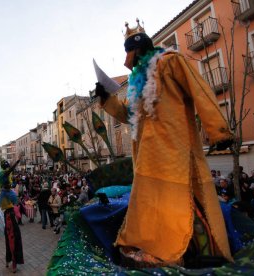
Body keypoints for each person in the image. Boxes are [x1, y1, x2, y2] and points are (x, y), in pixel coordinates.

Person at [95, 19, 233, 267]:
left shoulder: (171, 62)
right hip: (146, 156)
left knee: (174, 204)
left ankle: (178, 252)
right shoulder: (137, 85)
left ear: (137, 49)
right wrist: (107, 98)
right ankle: (148, 246)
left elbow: (199, 90)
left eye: (129, 52)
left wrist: (219, 131)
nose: (128, 60)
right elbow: (128, 115)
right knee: (147, 204)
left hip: (173, 151)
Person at [0, 156, 24, 273]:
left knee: (9, 239)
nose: (9, 184)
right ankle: (13, 262)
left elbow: (15, 201)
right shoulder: (4, 175)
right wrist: (17, 160)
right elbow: (10, 170)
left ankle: (9, 260)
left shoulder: (6, 191)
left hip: (8, 214)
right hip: (9, 217)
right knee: (13, 239)